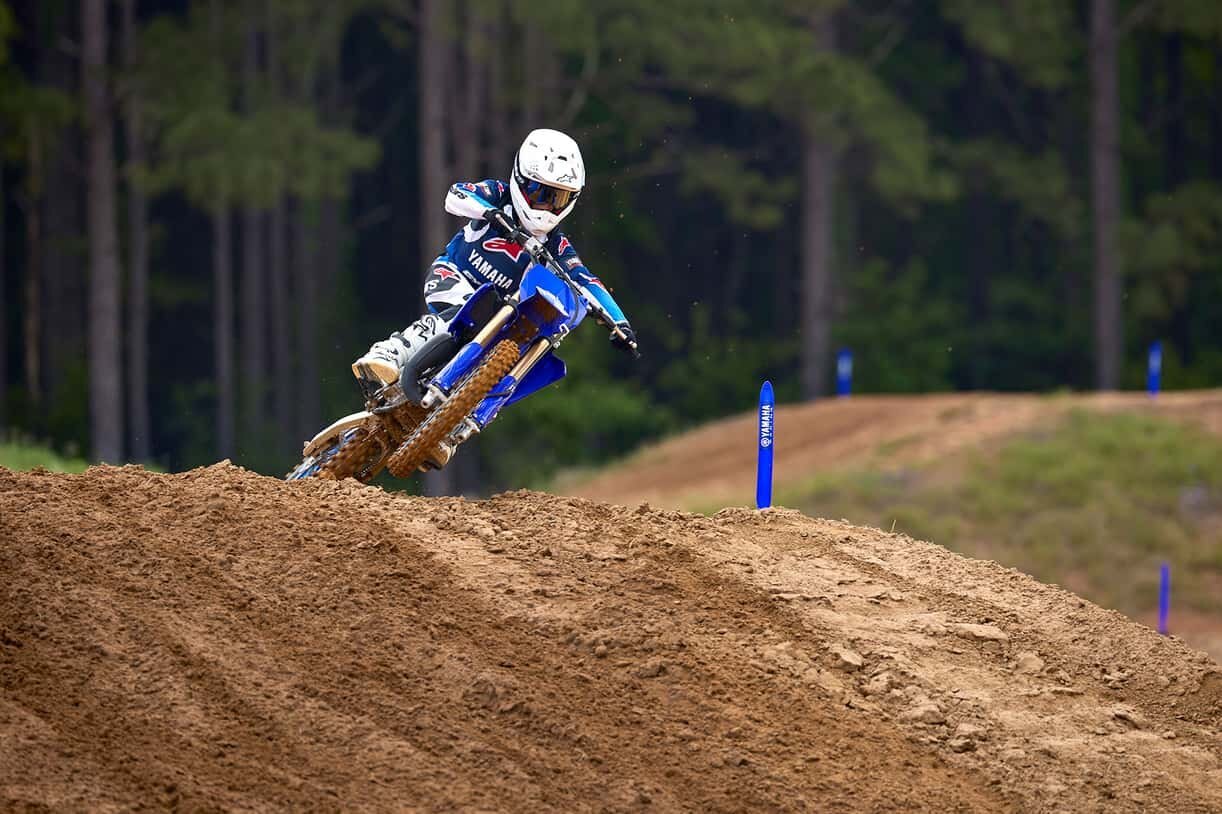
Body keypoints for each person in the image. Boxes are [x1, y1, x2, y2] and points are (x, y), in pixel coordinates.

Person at [352, 128, 637, 390]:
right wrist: (491, 213)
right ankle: (389, 353)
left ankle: (455, 411)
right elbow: (456, 195)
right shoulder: (498, 195)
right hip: (452, 275)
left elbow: (586, 281)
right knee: (463, 312)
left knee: (506, 344)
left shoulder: (558, 246)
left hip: (497, 312)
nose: (546, 206)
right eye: (539, 193)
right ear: (520, 180)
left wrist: (620, 324)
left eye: (558, 198)